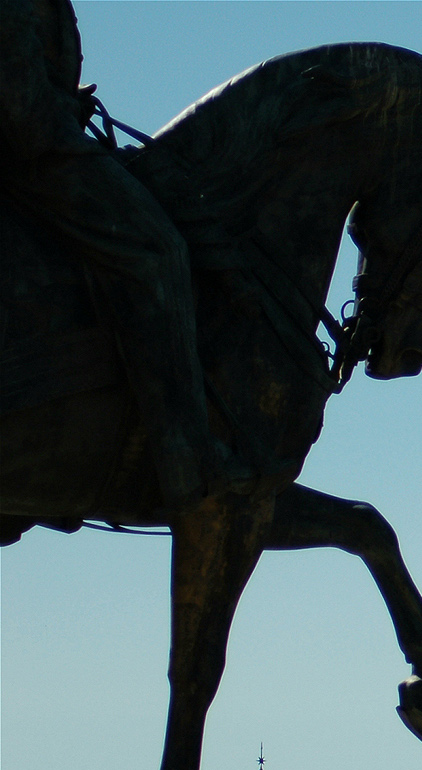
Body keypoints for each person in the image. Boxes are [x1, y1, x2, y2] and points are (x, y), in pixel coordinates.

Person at [1, 0, 248, 509]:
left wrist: (60, 100)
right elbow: (21, 113)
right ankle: (185, 457)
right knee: (156, 253)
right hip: (30, 157)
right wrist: (62, 111)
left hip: (33, 144)